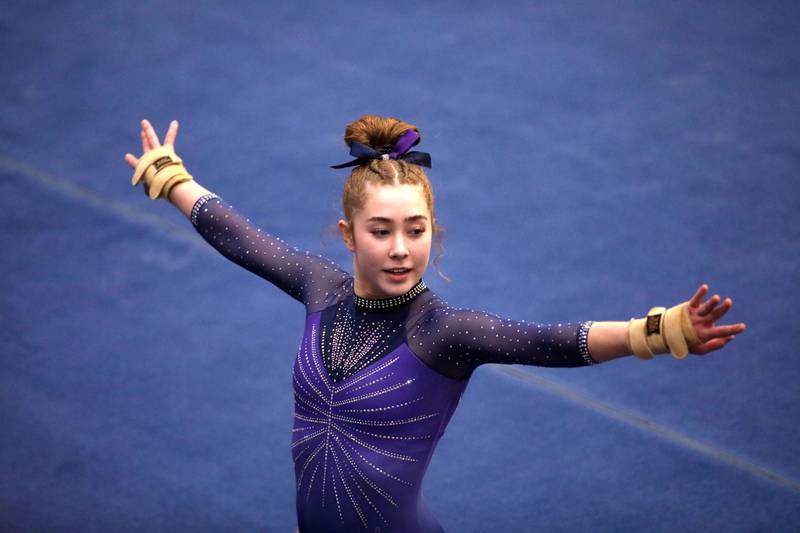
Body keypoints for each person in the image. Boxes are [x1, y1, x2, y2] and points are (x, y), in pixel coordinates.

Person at [124, 116, 746, 533]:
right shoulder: (320, 288)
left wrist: (660, 332)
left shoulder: (443, 333)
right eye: (381, 230)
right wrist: (169, 174)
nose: (400, 248)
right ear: (349, 234)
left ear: (432, 232)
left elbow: (553, 342)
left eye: (415, 231)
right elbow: (241, 237)